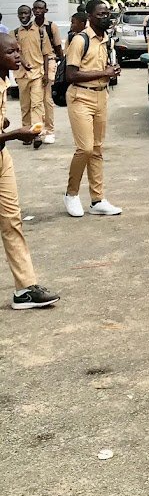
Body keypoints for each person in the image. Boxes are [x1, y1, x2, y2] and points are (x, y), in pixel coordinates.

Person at [0, 34, 60, 309]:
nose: (17, 56)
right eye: (11, 52)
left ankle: (24, 289)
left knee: (13, 221)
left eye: (17, 50)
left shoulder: (4, 79)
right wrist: (14, 134)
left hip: (2, 159)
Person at [63, 1, 122, 218]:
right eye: (100, 14)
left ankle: (97, 200)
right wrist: (102, 72)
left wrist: (112, 71)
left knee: (97, 149)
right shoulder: (80, 40)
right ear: (89, 16)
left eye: (107, 13)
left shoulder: (106, 40)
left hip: (101, 95)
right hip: (80, 96)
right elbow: (71, 74)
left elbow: (103, 68)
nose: (105, 17)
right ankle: (71, 194)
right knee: (85, 148)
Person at [31, 0, 64, 145]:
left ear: (45, 11)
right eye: (35, 8)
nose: (37, 11)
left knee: (47, 99)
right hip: (33, 65)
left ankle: (50, 130)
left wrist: (61, 63)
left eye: (40, 8)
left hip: (49, 62)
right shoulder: (29, 27)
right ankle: (38, 130)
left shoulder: (51, 27)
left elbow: (58, 47)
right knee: (35, 101)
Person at [13, 5, 45, 149]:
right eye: (20, 14)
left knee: (37, 104)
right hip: (21, 75)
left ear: (31, 14)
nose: (23, 16)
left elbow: (47, 53)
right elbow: (11, 54)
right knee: (25, 106)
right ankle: (26, 133)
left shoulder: (40, 31)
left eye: (26, 13)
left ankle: (36, 133)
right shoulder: (14, 34)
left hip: (37, 73)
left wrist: (47, 74)